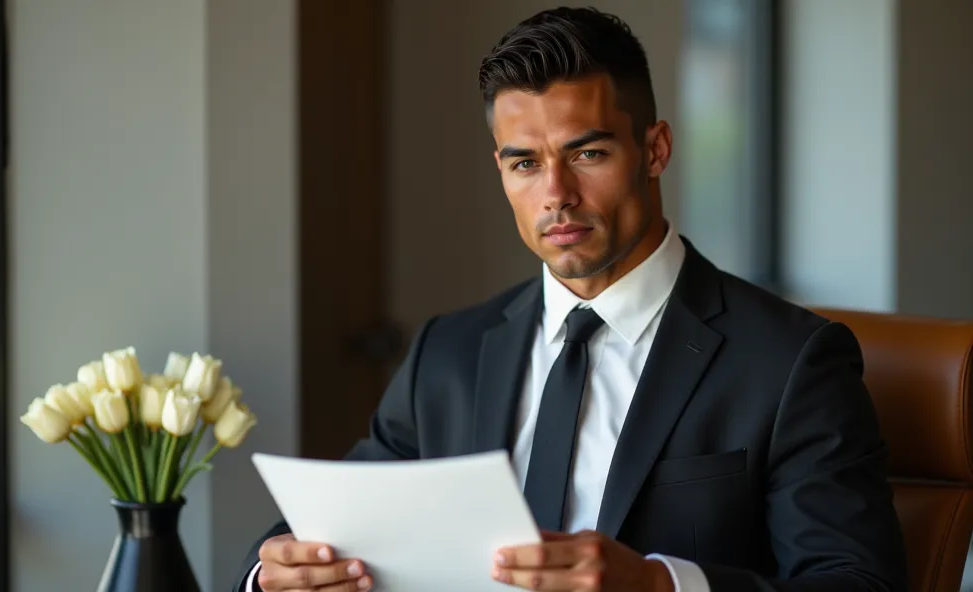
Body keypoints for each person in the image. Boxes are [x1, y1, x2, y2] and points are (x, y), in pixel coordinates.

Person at [235, 6, 907, 592]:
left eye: (587, 154)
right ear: (501, 170)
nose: (555, 193)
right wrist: (273, 575)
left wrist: (660, 585)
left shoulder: (791, 362)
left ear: (655, 149)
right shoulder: (449, 352)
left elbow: (859, 581)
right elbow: (329, 524)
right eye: (525, 162)